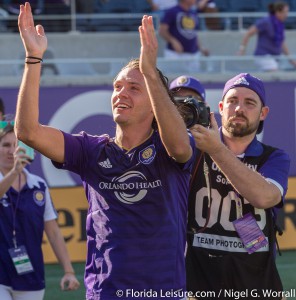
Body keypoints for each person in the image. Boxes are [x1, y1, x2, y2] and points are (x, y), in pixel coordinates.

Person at [16, 2, 196, 300]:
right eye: (117, 86)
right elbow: (28, 132)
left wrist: (150, 73)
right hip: (105, 294)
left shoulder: (170, 145)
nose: (121, 93)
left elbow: (179, 147)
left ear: (155, 104)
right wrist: (33, 58)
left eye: (133, 88)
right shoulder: (91, 150)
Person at [186, 73, 290, 299]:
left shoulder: (274, 157)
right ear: (221, 107)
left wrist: (216, 149)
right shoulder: (194, 148)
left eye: (249, 102)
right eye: (232, 101)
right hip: (199, 283)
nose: (239, 108)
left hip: (258, 284)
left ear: (263, 113)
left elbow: (264, 198)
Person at [0, 122, 80, 300]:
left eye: (16, 145)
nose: (11, 151)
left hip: (31, 276)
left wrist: (68, 271)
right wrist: (14, 173)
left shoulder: (39, 186)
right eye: (5, 145)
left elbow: (53, 232)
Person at [238, 1, 296, 72]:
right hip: (263, 56)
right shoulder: (265, 21)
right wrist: (242, 49)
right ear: (277, 12)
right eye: (285, 12)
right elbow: (248, 33)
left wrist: (291, 61)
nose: (286, 15)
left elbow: (282, 44)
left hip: (275, 58)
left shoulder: (280, 25)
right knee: (274, 69)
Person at [159, 0, 209, 73]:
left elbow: (194, 34)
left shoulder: (193, 13)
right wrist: (173, 41)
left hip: (193, 54)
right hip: (175, 54)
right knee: (174, 82)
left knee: (192, 82)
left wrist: (201, 48)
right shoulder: (172, 11)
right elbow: (162, 31)